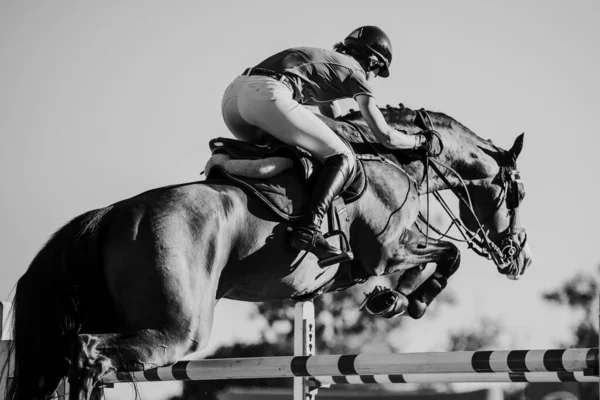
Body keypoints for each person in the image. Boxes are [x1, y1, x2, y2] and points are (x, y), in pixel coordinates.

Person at [221, 25, 430, 266]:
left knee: (293, 151)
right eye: (377, 71)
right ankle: (308, 230)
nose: (373, 78)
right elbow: (387, 137)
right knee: (342, 156)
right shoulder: (355, 72)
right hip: (267, 94)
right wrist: (419, 140)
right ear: (372, 60)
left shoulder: (330, 61)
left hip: (233, 97)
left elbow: (332, 115)